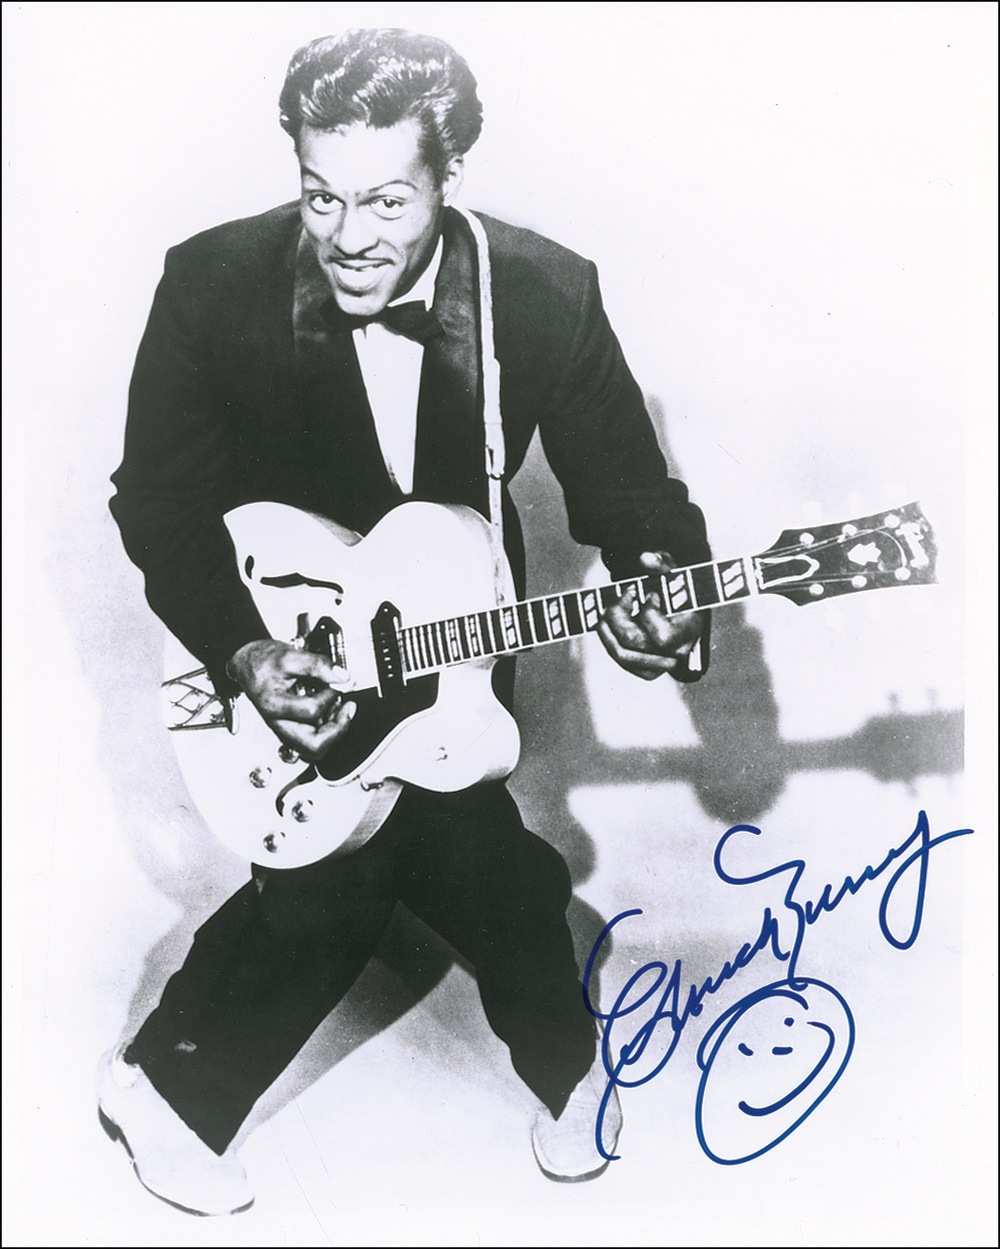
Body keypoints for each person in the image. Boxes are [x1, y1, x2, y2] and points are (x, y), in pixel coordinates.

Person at [101, 27, 712, 1216]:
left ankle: (161, 1080)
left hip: (456, 648)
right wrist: (245, 651)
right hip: (280, 639)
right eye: (319, 195)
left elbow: (634, 499)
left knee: (464, 857)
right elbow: (157, 500)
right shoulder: (212, 280)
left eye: (386, 199)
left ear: (451, 173)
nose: (347, 235)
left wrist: (662, 592)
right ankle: (172, 1092)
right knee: (357, 881)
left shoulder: (542, 291)